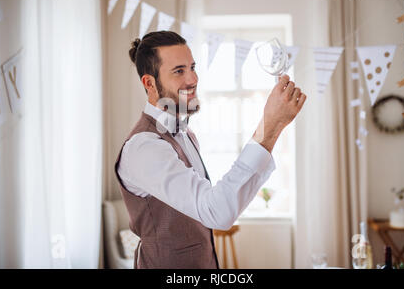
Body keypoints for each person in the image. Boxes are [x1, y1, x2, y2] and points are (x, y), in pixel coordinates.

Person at [114, 31, 306, 269]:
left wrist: (274, 127)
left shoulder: (187, 135)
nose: (193, 79)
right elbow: (217, 212)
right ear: (149, 83)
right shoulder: (144, 147)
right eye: (179, 71)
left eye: (192, 67)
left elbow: (217, 204)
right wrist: (270, 126)